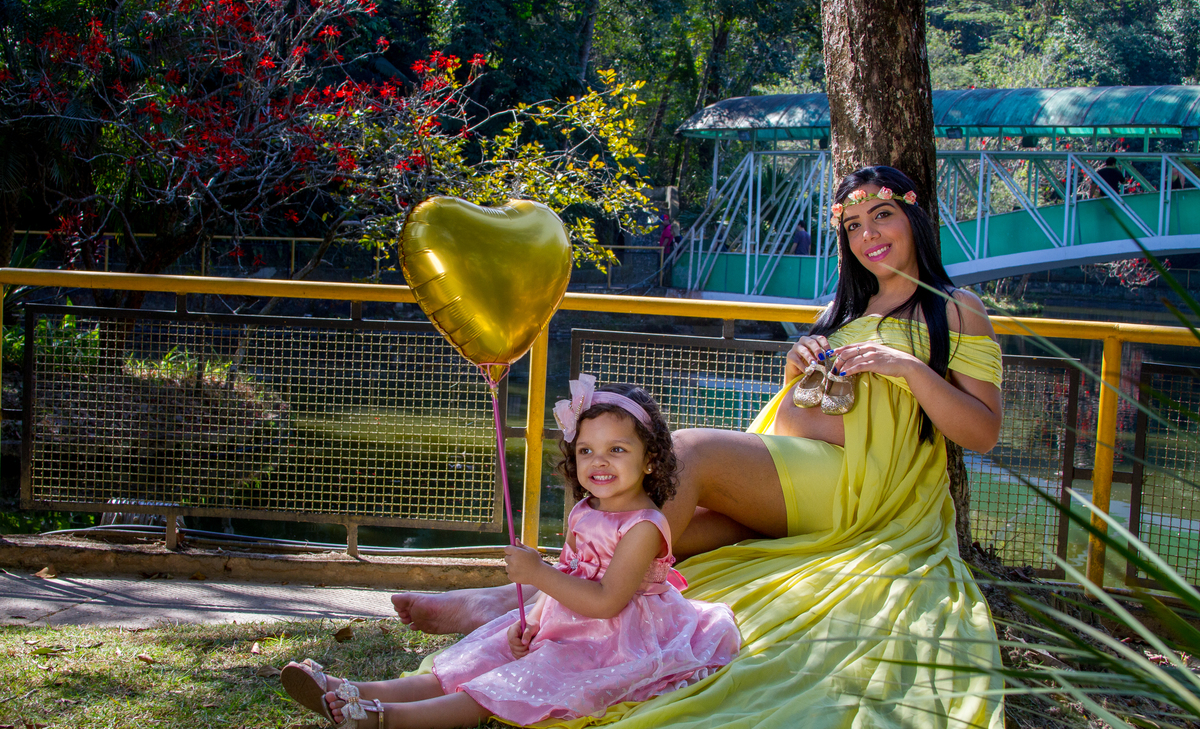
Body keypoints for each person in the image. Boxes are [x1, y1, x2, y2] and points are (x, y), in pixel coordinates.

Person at [392, 165, 1005, 729]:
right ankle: (527, 600)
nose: (868, 235)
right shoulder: (846, 308)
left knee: (690, 452)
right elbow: (811, 404)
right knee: (672, 535)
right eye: (852, 226)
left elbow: (982, 432)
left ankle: (522, 597)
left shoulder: (955, 310)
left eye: (882, 216)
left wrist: (909, 368)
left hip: (862, 489)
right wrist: (798, 368)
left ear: (914, 218)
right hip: (803, 477)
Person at [281, 380, 740, 729]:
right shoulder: (586, 509)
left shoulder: (643, 527)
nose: (599, 462)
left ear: (651, 460)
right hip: (567, 621)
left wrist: (537, 574)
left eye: (617, 450)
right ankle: (350, 689)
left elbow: (606, 602)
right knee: (477, 657)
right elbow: (570, 572)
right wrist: (535, 622)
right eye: (587, 450)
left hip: (617, 639)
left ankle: (386, 719)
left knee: (511, 682)